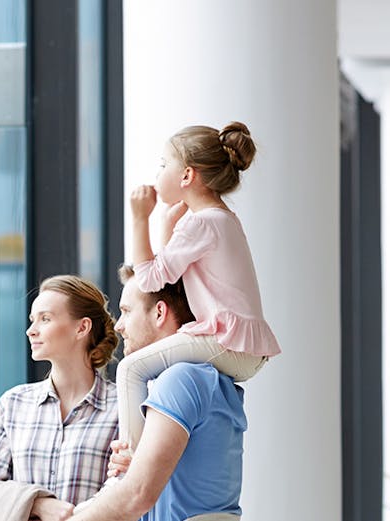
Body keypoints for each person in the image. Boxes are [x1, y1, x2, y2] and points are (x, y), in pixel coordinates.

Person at [117, 122, 281, 452]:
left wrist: (138, 218)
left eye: (164, 164)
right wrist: (166, 225)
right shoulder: (219, 218)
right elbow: (170, 279)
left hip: (229, 343)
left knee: (130, 369)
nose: (158, 172)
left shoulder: (202, 222)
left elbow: (150, 280)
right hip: (240, 344)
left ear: (187, 176)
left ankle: (132, 461)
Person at [70, 265, 247, 521]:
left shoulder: (182, 379)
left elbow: (137, 495)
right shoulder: (204, 377)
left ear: (160, 313)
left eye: (126, 312)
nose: (118, 326)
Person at [0, 275, 120, 521]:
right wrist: (37, 503)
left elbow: (123, 491)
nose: (31, 330)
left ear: (82, 327)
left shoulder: (121, 407)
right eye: (32, 320)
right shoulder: (14, 404)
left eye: (45, 319)